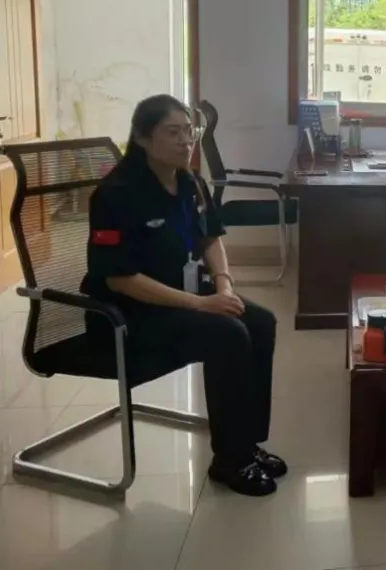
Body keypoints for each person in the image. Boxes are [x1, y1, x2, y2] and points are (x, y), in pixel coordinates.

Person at [82, 94, 286, 496]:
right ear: (143, 138)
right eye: (172, 132)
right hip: (128, 314)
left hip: (184, 297)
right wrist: (201, 304)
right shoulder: (116, 193)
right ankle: (230, 461)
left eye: (188, 132)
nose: (185, 141)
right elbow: (120, 279)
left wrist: (223, 285)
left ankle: (246, 443)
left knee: (260, 322)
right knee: (227, 333)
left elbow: (211, 238)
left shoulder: (190, 182)